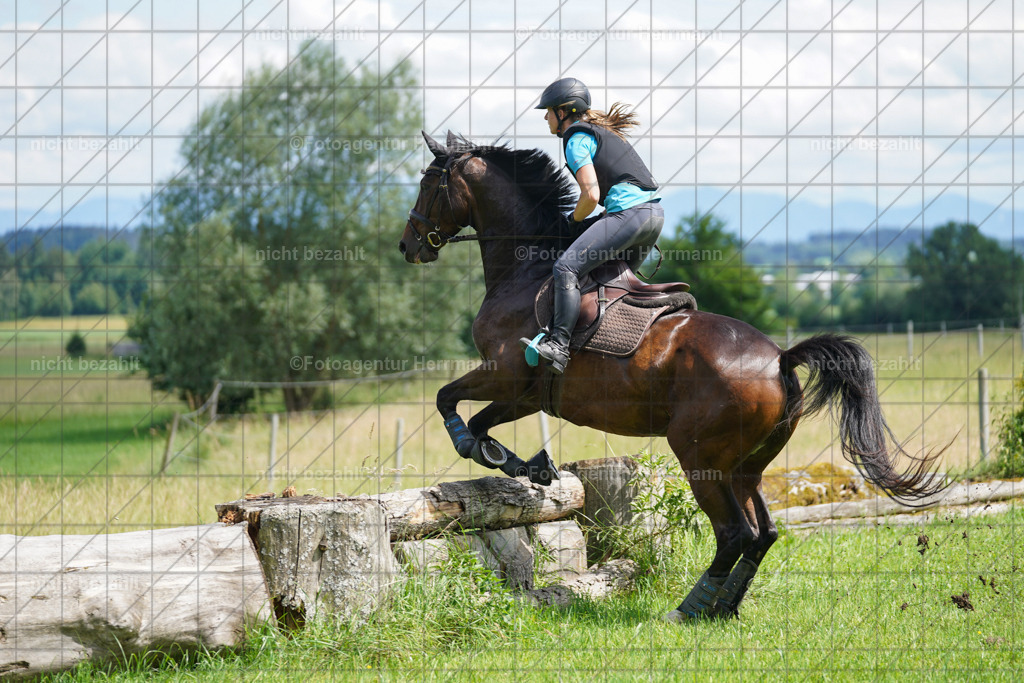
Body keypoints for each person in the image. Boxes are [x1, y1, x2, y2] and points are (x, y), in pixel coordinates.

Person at [519, 77, 664, 374]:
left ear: (563, 112)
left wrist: (572, 221)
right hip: (653, 216)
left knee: (566, 268)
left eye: (548, 111)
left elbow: (591, 194)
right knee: (610, 279)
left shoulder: (576, 138)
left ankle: (558, 345)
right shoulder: (601, 131)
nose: (545, 117)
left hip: (629, 216)